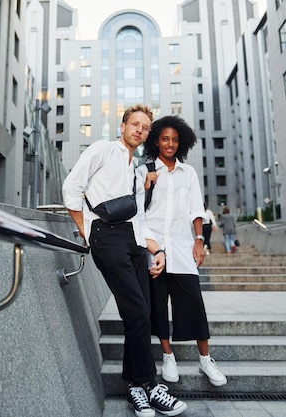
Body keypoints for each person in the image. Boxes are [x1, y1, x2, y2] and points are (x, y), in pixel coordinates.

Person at [62, 105, 187, 416]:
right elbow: (71, 188)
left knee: (140, 315)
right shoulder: (103, 149)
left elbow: (140, 220)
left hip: (133, 243)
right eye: (135, 124)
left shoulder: (136, 172)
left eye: (145, 128)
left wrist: (156, 251)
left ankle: (134, 388)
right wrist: (86, 230)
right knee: (137, 312)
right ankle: (150, 385)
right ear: (123, 126)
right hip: (107, 238)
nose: (140, 130)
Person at [139, 114, 227, 388]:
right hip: (153, 247)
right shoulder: (145, 171)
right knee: (157, 303)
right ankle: (168, 356)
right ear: (156, 141)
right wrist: (145, 185)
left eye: (175, 140)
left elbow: (195, 209)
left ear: (182, 143)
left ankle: (205, 358)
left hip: (182, 246)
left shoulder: (188, 173)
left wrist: (199, 239)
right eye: (165, 139)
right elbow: (138, 212)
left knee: (194, 303)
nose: (170, 144)